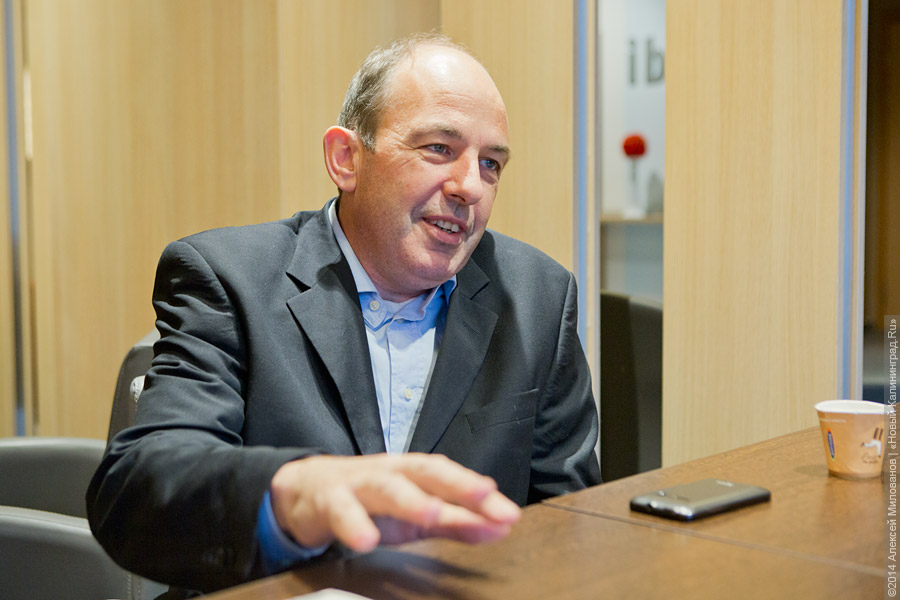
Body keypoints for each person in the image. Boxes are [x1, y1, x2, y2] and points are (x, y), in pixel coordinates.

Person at [87, 33, 601, 596]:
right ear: (346, 159)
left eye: (491, 163)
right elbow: (137, 494)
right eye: (438, 148)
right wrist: (290, 496)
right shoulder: (228, 278)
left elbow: (572, 528)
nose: (469, 187)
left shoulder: (539, 298)